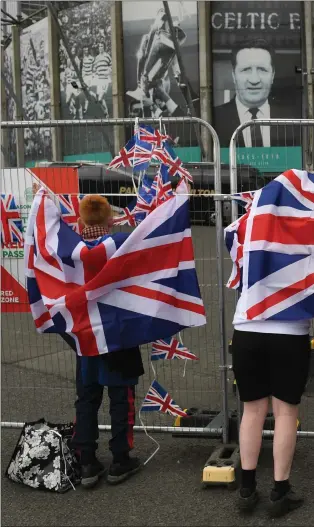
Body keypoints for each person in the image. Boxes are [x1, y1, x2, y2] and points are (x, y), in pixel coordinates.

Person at [230, 204, 311, 517]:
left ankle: (247, 488)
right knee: (285, 413)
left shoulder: (249, 224)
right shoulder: (306, 226)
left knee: (252, 409)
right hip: (290, 331)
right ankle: (280, 490)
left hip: (247, 327)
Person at [213, 38, 299, 147]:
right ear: (234, 76)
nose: (254, 80)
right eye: (246, 69)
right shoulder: (215, 119)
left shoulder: (292, 119)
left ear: (272, 75)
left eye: (262, 70)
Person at [93, 42, 111, 116]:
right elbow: (94, 67)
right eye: (99, 46)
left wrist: (108, 71)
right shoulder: (96, 58)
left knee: (100, 98)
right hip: (99, 80)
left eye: (102, 46)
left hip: (105, 80)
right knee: (100, 100)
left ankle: (106, 113)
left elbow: (111, 66)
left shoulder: (107, 56)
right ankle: (106, 113)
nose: (100, 47)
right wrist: (95, 71)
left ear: (104, 47)